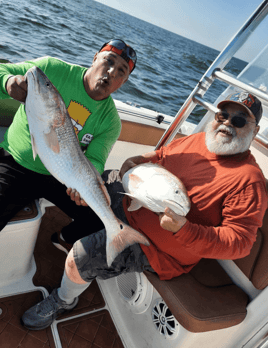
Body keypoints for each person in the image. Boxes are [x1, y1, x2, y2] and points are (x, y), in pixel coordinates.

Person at [21, 91, 268, 330]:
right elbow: (162, 155)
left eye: (238, 120)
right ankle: (82, 229)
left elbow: (240, 243)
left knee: (79, 258)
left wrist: (184, 229)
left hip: (157, 249)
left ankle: (64, 300)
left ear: (255, 131)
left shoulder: (249, 181)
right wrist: (139, 159)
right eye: (222, 115)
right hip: (135, 201)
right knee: (100, 181)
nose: (227, 124)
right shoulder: (199, 139)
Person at [0, 39, 137, 243]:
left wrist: (85, 185)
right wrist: (8, 82)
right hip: (17, 163)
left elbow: (96, 160)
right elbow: (3, 69)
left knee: (99, 222)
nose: (111, 72)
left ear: (123, 82)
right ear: (94, 58)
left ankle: (63, 238)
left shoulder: (111, 121)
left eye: (121, 71)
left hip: (63, 177)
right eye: (108, 61)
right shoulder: (51, 70)